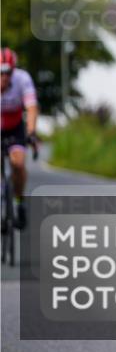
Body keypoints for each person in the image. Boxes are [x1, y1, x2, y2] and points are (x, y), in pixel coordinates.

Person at [1, 47, 39, 230]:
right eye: (0, 73)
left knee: (18, 163)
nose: (4, 77)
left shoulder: (22, 79)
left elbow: (31, 107)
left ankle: (19, 201)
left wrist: (31, 132)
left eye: (7, 72)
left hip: (15, 127)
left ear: (13, 71)